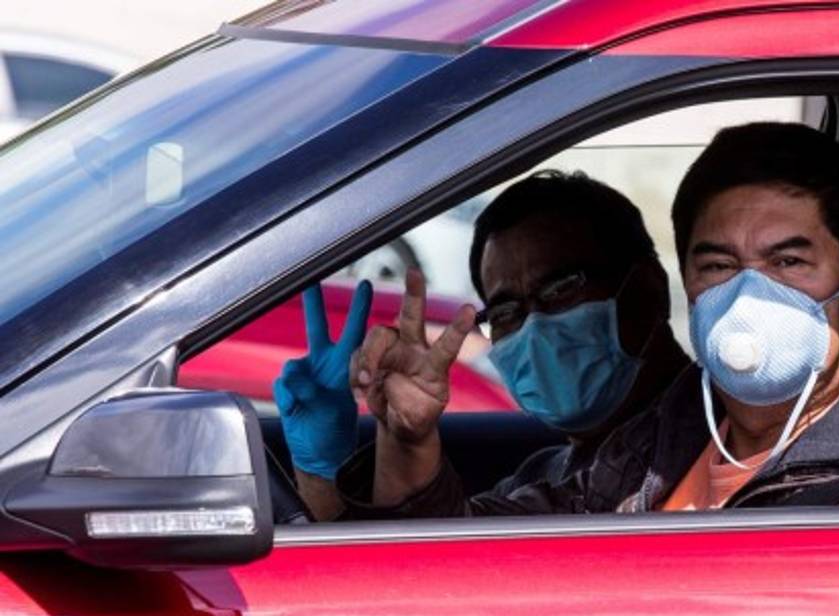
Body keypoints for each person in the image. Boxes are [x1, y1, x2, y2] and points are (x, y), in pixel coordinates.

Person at [340, 122, 839, 517]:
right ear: (689, 286)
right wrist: (409, 441)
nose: (750, 295)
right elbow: (471, 565)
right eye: (719, 265)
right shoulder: (652, 445)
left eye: (789, 261)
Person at [275, 170, 689, 519]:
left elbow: (448, 565)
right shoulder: (545, 470)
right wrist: (321, 474)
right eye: (506, 311)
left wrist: (409, 442)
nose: (534, 327)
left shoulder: (689, 441)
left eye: (561, 288)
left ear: (649, 289)